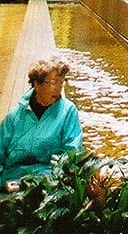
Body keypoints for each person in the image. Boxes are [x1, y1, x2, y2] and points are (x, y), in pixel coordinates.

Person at [0, 54, 83, 186]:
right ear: (36, 84)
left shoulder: (68, 111)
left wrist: (61, 173)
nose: (58, 88)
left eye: (61, 82)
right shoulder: (15, 116)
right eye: (53, 82)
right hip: (13, 178)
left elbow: (73, 151)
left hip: (49, 179)